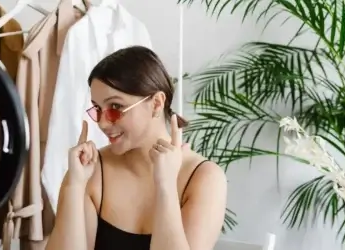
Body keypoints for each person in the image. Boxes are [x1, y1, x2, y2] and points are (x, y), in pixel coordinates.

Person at [45, 46, 228, 250]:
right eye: (97, 109)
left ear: (156, 103)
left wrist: (165, 185)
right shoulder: (92, 171)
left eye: (115, 107)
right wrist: (74, 186)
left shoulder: (204, 178)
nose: (103, 124)